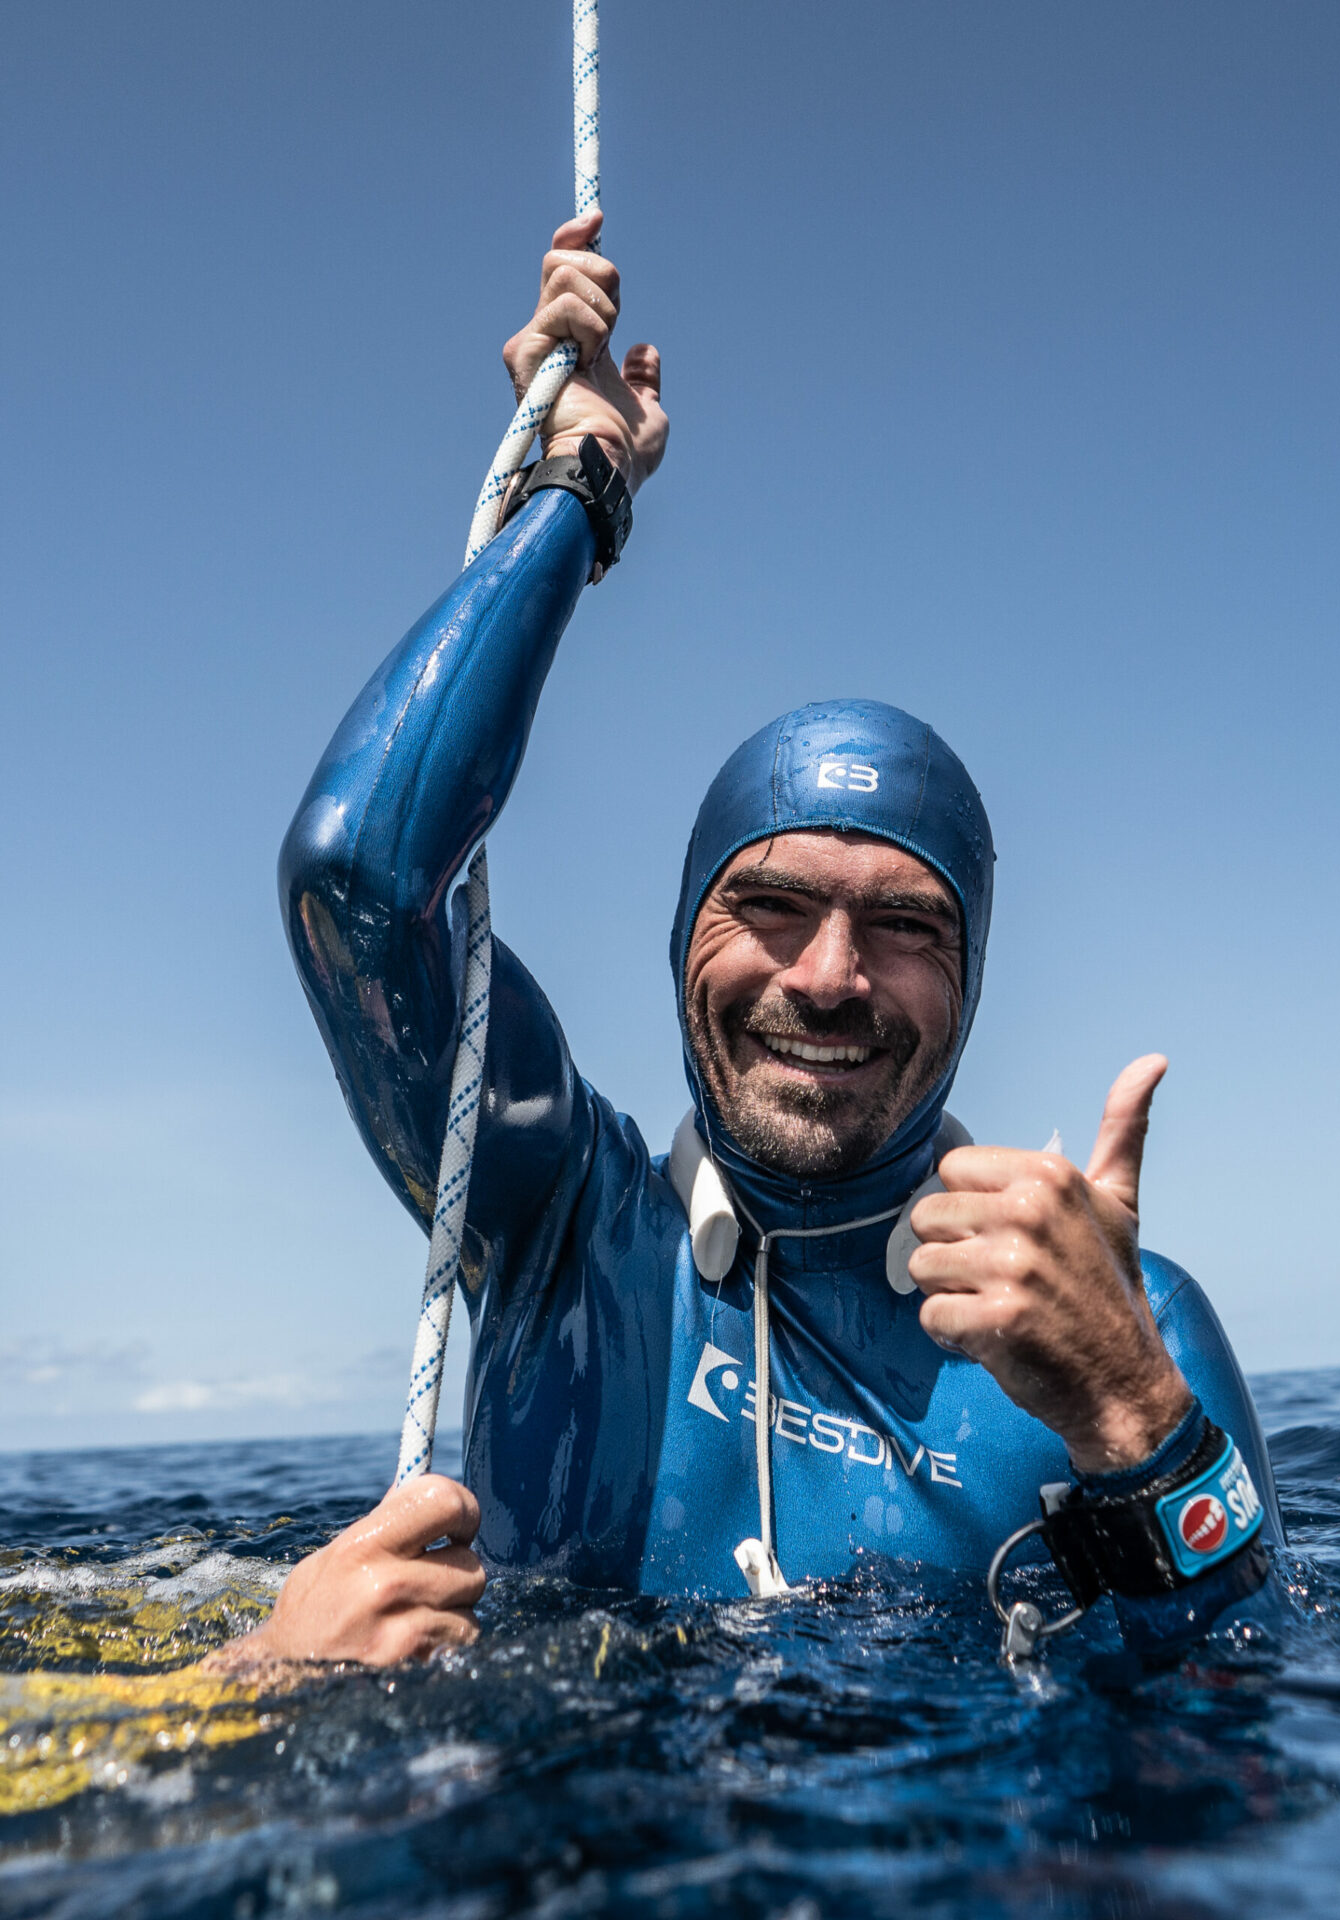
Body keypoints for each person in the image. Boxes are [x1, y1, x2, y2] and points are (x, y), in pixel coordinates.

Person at [213, 212, 1282, 1674]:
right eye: (771, 906)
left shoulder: (1114, 1321)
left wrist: (1133, 1426)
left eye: (904, 926)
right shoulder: (559, 1229)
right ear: (680, 940)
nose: (830, 976)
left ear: (969, 980)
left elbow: (1256, 1749)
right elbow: (358, 877)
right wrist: (576, 492)